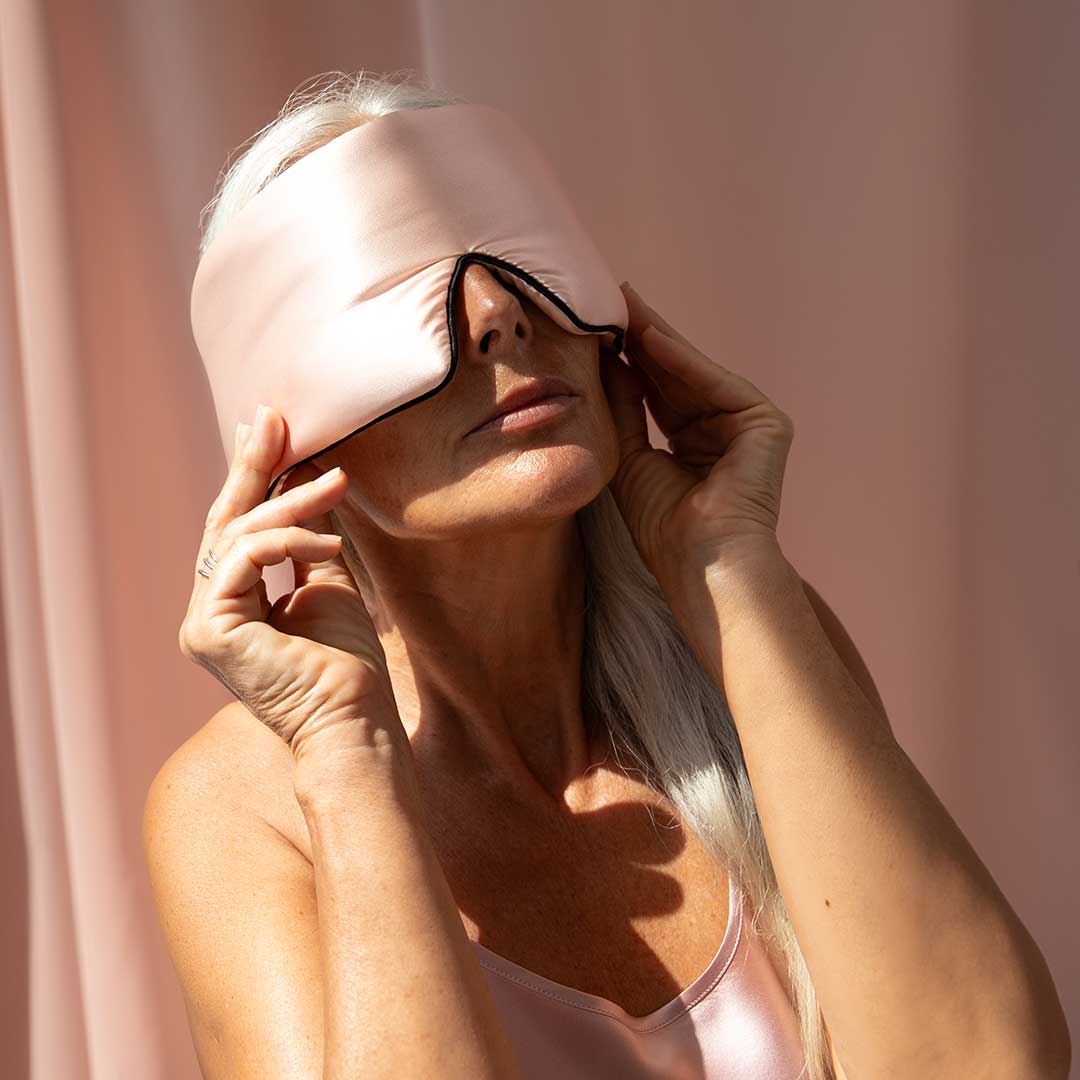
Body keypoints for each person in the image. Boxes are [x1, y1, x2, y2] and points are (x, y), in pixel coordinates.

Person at [142, 71, 1071, 1080]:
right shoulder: (242, 809)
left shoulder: (745, 641)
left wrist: (728, 565)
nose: (497, 313)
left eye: (518, 256)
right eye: (389, 294)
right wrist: (350, 757)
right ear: (294, 457)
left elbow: (991, 1064)